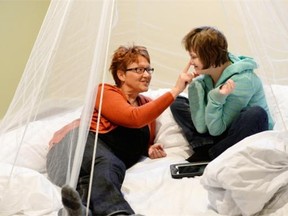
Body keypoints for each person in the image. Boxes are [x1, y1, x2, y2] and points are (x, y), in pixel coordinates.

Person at [48, 45, 193, 216]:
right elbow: (132, 118)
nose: (147, 75)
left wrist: (148, 148)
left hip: (94, 166)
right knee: (110, 163)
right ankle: (119, 213)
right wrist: (175, 90)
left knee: (98, 178)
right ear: (121, 74)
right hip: (68, 153)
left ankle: (78, 211)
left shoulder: (147, 105)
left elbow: (138, 134)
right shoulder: (104, 92)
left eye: (148, 69)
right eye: (139, 69)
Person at [170, 26, 274, 163]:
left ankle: (211, 154)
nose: (191, 62)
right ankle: (205, 147)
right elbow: (202, 127)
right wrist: (194, 88)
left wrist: (215, 98)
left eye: (194, 57)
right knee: (177, 103)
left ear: (211, 56)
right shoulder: (207, 76)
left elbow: (216, 129)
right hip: (219, 129)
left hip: (241, 130)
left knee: (256, 113)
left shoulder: (243, 80)